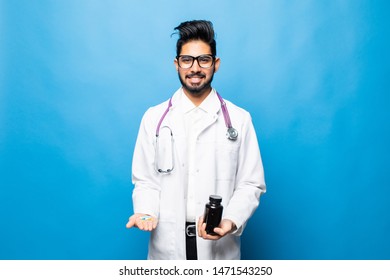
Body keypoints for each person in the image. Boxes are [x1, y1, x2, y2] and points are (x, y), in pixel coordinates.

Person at [126, 20, 266, 260]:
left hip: (219, 250)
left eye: (204, 59)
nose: (195, 68)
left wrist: (230, 221)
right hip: (166, 249)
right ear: (177, 64)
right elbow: (146, 181)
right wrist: (146, 213)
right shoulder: (154, 118)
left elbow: (251, 184)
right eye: (187, 60)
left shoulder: (239, 120)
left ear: (216, 64)